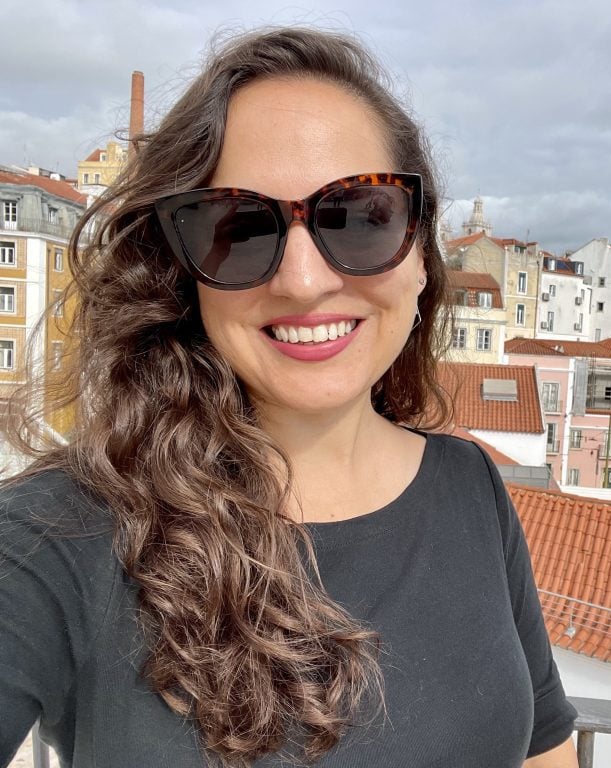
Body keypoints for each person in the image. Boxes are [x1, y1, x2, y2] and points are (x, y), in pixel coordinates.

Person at [0, 27, 577, 767]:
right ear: (186, 272)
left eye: (360, 218)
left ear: (421, 256)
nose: (303, 281)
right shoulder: (66, 532)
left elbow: (543, 753)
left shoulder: (471, 490)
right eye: (238, 228)